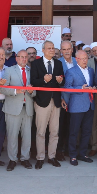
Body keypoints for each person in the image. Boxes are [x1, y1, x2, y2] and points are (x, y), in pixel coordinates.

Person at [29, 41, 64, 169]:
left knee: (54, 131)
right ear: (42, 50)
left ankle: (52, 157)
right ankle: (40, 158)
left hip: (55, 101)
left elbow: (61, 81)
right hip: (41, 102)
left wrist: (61, 81)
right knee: (41, 132)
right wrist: (44, 80)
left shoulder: (59, 63)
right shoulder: (36, 64)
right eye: (49, 48)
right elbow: (33, 81)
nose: (51, 50)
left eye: (53, 48)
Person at [0, 50, 35, 171]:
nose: (24, 59)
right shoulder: (9, 70)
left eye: (26, 57)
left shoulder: (31, 71)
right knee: (12, 135)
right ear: (17, 58)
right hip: (13, 108)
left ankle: (25, 158)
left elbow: (35, 91)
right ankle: (12, 159)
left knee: (27, 136)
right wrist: (15, 91)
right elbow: (2, 89)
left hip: (28, 107)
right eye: (21, 57)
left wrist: (31, 91)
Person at [62, 50, 96, 166]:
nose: (85, 60)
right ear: (77, 59)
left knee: (87, 132)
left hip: (89, 105)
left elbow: (92, 85)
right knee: (74, 132)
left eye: (86, 58)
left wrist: (94, 88)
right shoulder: (71, 71)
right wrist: (81, 88)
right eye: (82, 59)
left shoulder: (91, 71)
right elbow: (67, 88)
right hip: (76, 106)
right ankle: (72, 155)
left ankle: (82, 153)